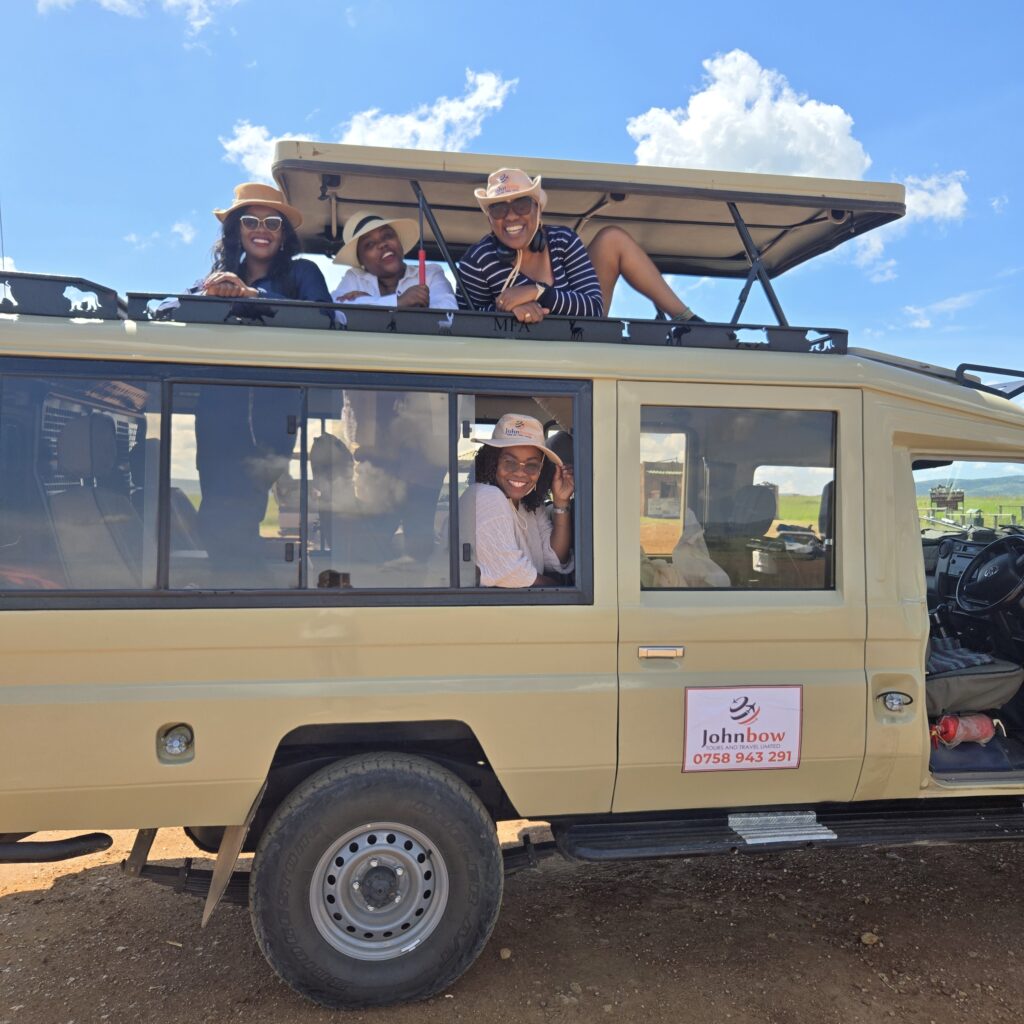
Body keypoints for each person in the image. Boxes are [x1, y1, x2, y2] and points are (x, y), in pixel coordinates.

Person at [458, 168, 700, 324]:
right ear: (489, 219)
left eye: (521, 205)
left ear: (538, 209)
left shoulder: (562, 240)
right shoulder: (476, 261)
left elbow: (594, 309)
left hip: (581, 346)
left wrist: (538, 293)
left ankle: (689, 322)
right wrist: (508, 311)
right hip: (521, 365)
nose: (511, 216)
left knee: (612, 238)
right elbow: (462, 320)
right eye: (499, 209)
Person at [460, 413, 574, 588]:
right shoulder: (486, 496)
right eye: (510, 462)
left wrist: (561, 501)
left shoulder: (529, 506)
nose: (520, 473)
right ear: (493, 461)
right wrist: (561, 588)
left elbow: (554, 559)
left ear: (541, 470)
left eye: (531, 465)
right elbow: (514, 574)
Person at [198, 182, 331, 302]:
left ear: (283, 234)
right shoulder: (220, 277)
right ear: (237, 231)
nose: (261, 229)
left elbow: (324, 315)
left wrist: (254, 295)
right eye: (250, 222)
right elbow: (185, 309)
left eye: (272, 223)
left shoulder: (303, 271)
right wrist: (207, 295)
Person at [332, 210, 457, 309]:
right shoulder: (354, 278)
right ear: (360, 260)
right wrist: (398, 302)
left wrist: (370, 304)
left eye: (387, 235)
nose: (382, 244)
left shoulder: (430, 274)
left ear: (399, 242)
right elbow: (336, 307)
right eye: (369, 244)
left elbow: (449, 311)